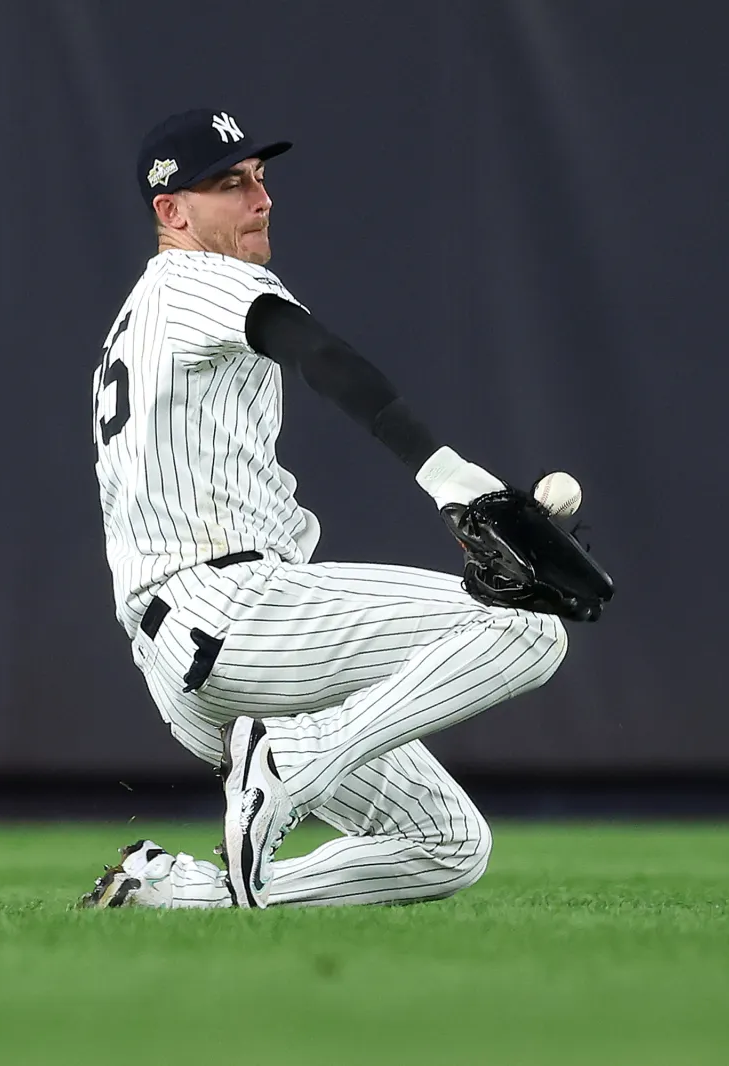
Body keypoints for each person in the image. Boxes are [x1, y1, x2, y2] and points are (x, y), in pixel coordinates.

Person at [83, 108, 568, 909]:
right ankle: (294, 760)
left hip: (187, 659)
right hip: (232, 611)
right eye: (229, 184)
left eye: (260, 177)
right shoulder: (198, 280)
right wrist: (449, 476)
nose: (260, 197)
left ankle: (171, 894)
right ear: (172, 211)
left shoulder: (138, 322)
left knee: (448, 848)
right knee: (529, 627)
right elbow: (322, 355)